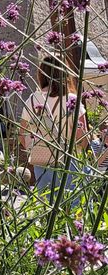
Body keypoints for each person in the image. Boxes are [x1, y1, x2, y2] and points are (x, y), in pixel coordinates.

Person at [20, 56, 90, 195]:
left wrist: (37, 148)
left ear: (41, 74)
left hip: (42, 162)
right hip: (70, 162)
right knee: (73, 206)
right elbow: (82, 137)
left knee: (46, 205)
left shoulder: (33, 100)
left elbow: (22, 135)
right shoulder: (72, 101)